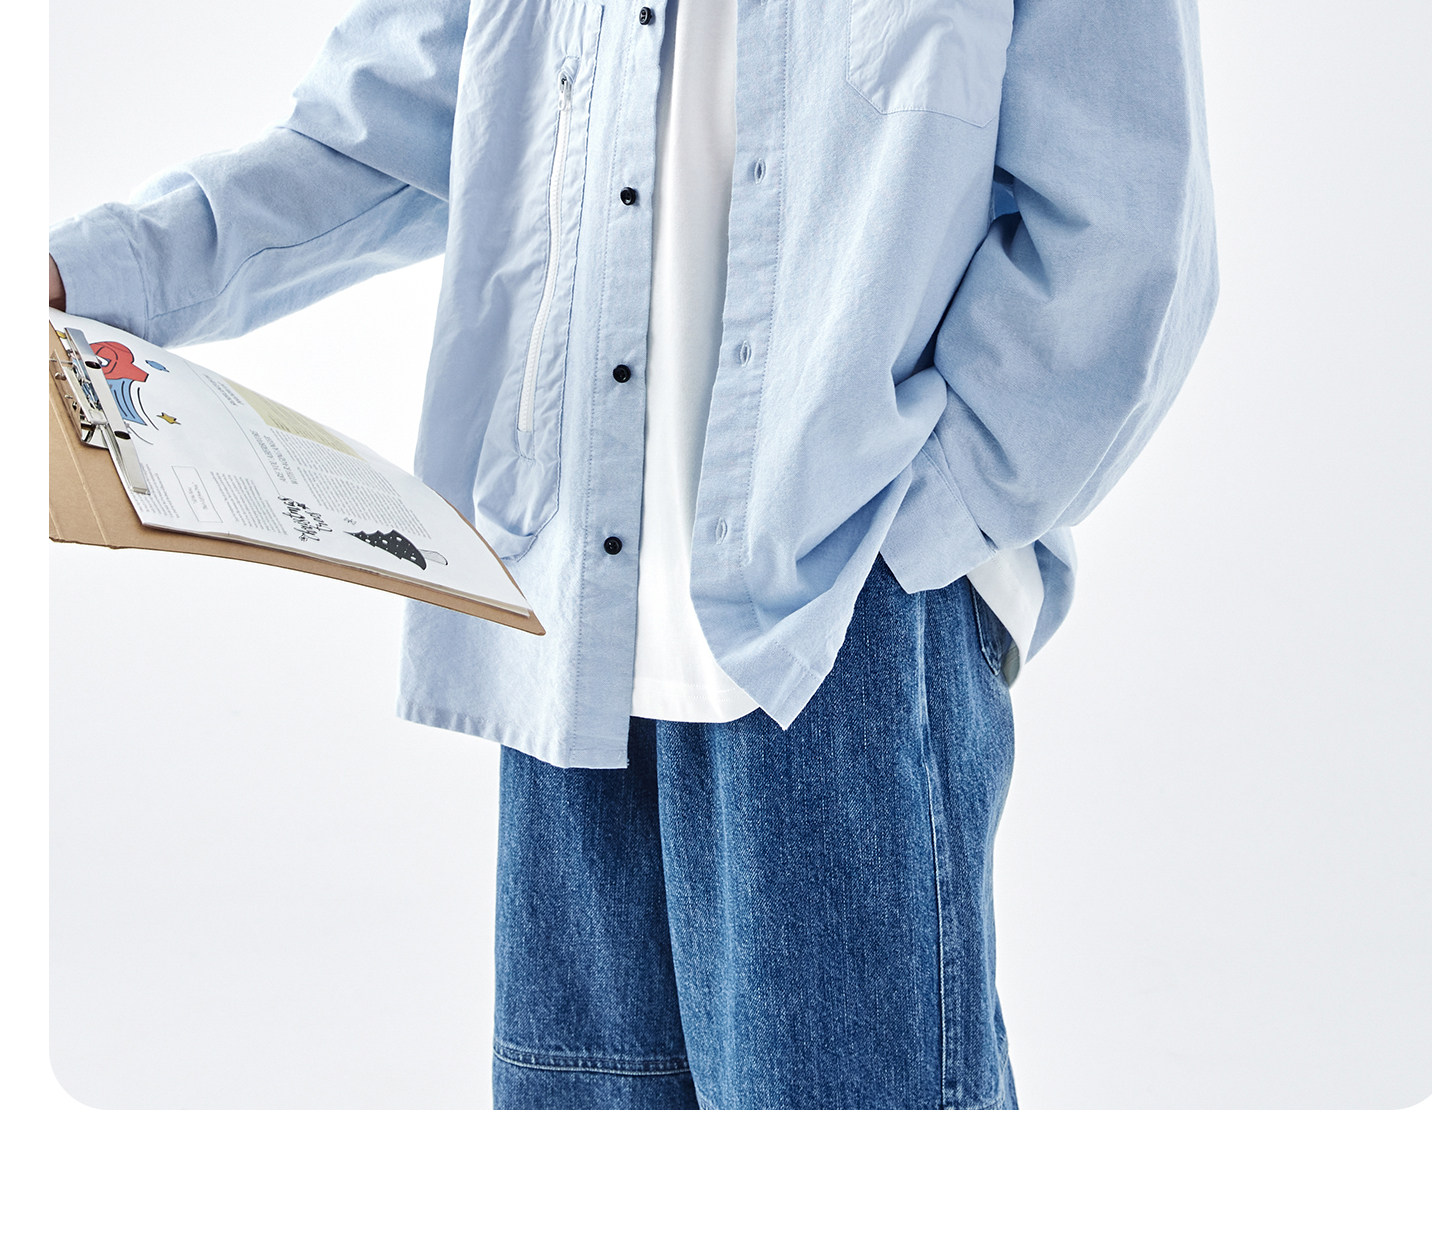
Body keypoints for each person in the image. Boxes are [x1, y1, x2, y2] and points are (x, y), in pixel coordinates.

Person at [49, 0, 1218, 1109]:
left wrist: (916, 530)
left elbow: (1127, 231)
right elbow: (372, 138)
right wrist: (80, 277)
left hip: (841, 630)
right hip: (573, 635)